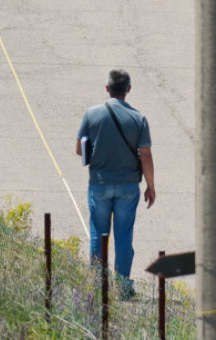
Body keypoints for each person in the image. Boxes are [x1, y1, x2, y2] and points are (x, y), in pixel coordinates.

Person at [76, 69, 155, 298]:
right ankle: (122, 287)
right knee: (123, 236)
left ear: (107, 88)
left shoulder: (92, 115)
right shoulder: (139, 119)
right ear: (128, 89)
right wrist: (150, 186)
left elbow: (79, 148)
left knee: (98, 234)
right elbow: (146, 155)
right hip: (128, 187)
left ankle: (96, 285)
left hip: (99, 184)